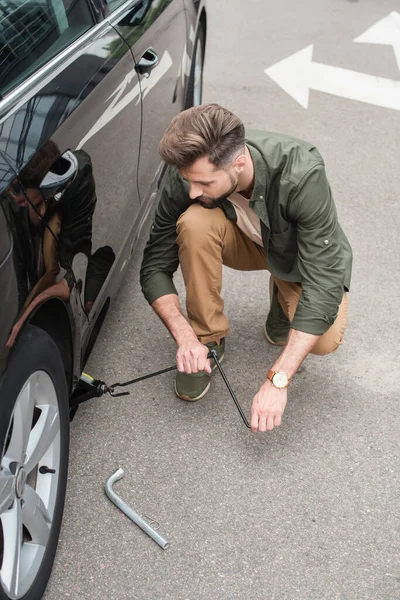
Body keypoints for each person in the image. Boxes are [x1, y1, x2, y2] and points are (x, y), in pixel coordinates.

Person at [140, 104, 352, 433]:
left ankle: (284, 297)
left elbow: (324, 283)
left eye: (204, 183)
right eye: (188, 181)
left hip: (296, 256)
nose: (192, 191)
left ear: (238, 164)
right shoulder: (189, 171)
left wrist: (278, 380)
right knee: (193, 222)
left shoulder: (301, 172)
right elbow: (154, 264)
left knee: (323, 339)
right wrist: (184, 338)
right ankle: (206, 339)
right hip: (243, 240)